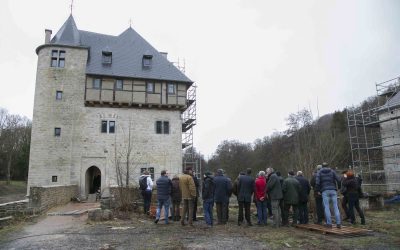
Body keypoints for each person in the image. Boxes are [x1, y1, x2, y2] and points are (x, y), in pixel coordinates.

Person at [316, 162, 342, 228]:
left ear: (322, 166)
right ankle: (338, 223)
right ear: (328, 166)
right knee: (335, 206)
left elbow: (317, 182)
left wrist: (318, 190)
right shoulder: (332, 171)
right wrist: (338, 188)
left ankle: (329, 223)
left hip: (324, 191)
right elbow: (339, 180)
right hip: (333, 190)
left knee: (326, 207)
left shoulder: (319, 172)